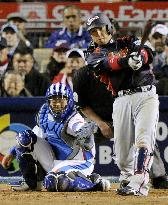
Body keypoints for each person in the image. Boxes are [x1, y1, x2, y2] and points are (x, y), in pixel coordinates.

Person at [85, 13, 159, 196]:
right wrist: (127, 61)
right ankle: (127, 178)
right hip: (121, 99)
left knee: (144, 139)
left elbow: (149, 50)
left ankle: (140, 182)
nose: (99, 34)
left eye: (101, 29)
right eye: (94, 32)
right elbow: (108, 63)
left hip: (146, 95)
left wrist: (140, 56)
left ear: (109, 28)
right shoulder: (91, 54)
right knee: (122, 152)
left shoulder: (128, 40)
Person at [2, 82, 110, 192]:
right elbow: (32, 137)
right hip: (55, 161)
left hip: (78, 163)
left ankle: (95, 183)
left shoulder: (74, 117)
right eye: (54, 100)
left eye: (61, 100)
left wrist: (86, 133)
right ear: (48, 101)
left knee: (51, 181)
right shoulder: (44, 114)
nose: (57, 104)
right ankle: (33, 183)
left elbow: (82, 131)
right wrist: (12, 152)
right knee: (24, 137)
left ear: (69, 101)